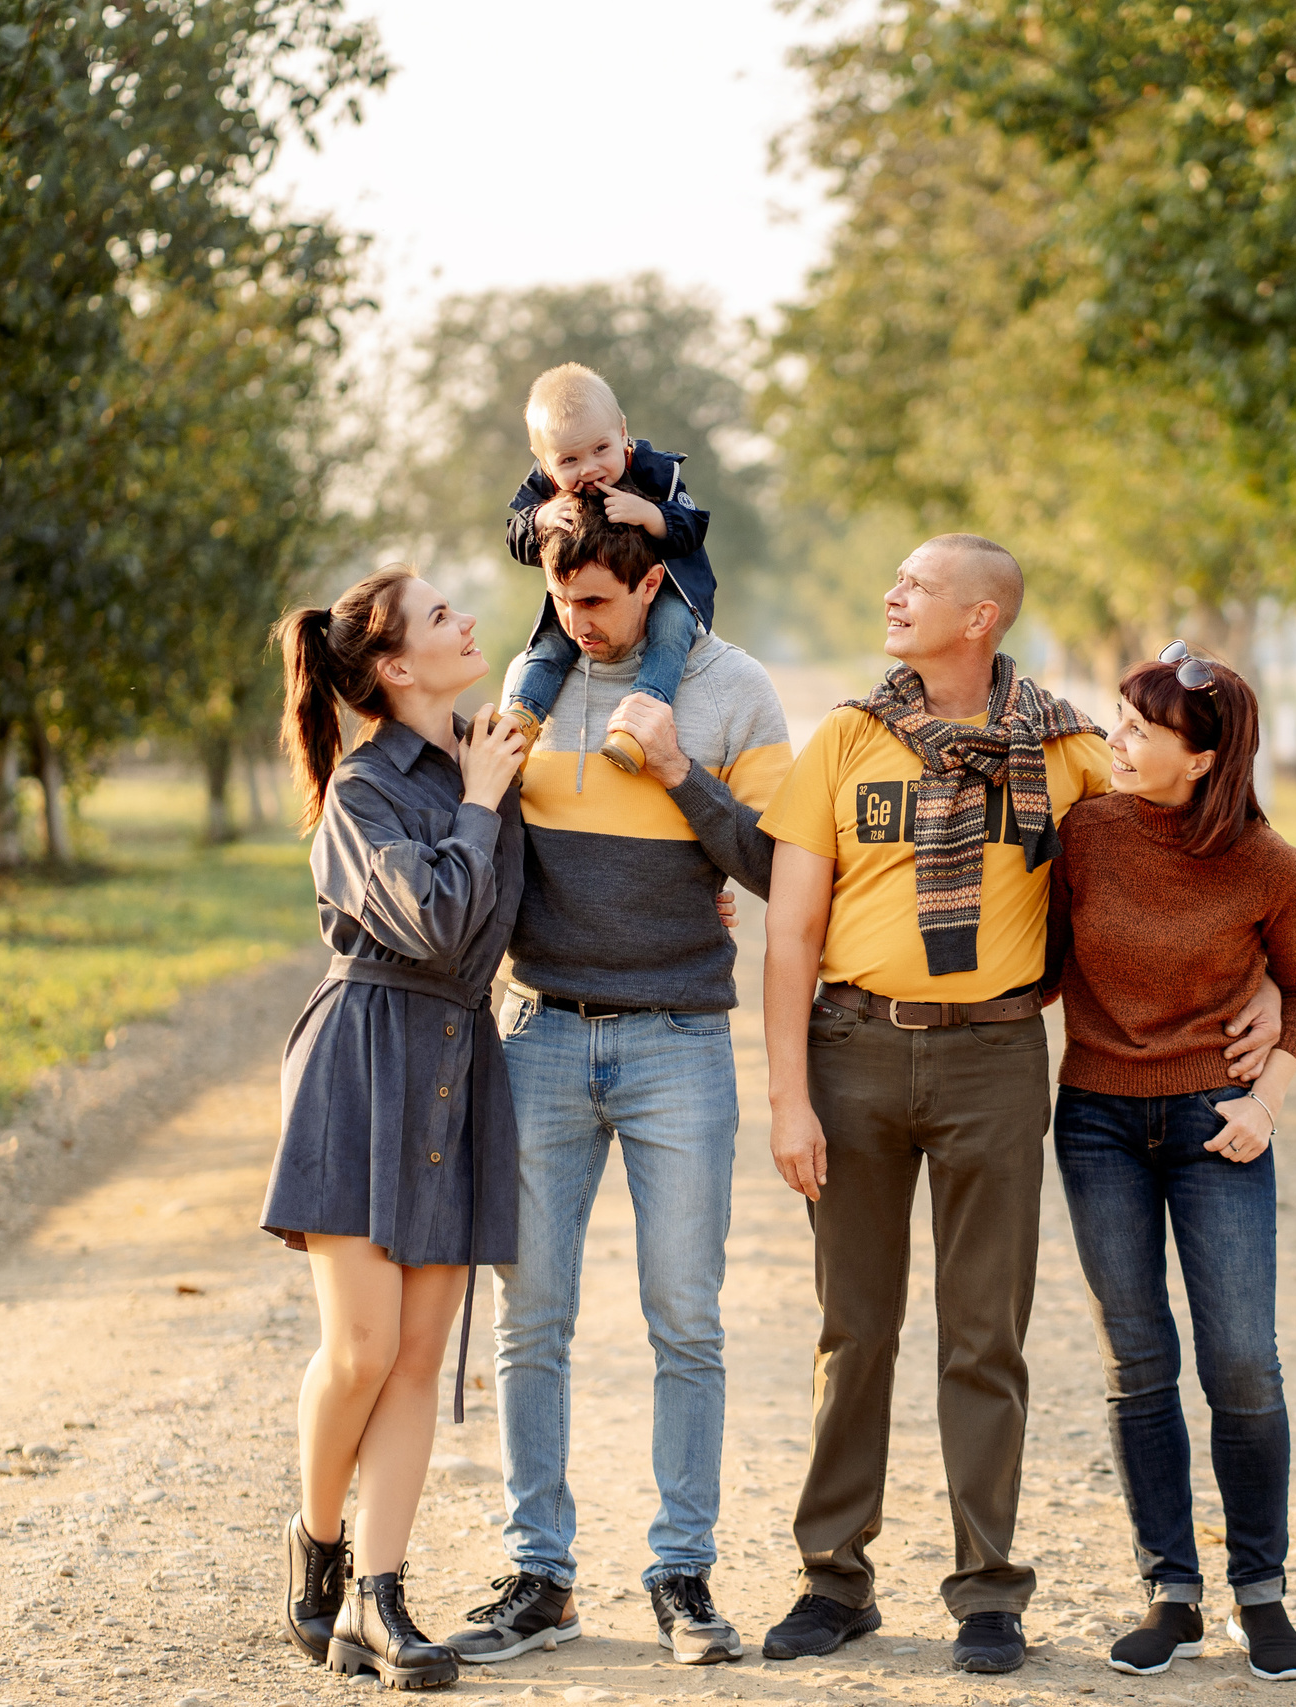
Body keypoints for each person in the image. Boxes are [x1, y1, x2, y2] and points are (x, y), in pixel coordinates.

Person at [753, 537, 1282, 1676]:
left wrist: (1278, 988)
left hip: (994, 1059)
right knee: (854, 1333)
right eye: (889, 578)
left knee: (984, 1335)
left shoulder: (1070, 749)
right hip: (850, 1052)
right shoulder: (844, 739)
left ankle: (986, 1592)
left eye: (918, 585)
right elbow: (790, 929)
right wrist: (787, 1096)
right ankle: (833, 1580)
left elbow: (1217, 844)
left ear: (981, 615)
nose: (891, 595)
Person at [439, 494, 791, 1669]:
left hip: (678, 1042)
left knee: (684, 1320)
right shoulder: (527, 691)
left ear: (652, 585)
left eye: (596, 600)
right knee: (526, 1321)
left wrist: (684, 771)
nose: (573, 620)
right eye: (559, 598)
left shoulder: (733, 686)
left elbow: (778, 867)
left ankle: (682, 1576)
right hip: (538, 1031)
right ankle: (538, 1575)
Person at [261, 565, 530, 1690]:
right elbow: (426, 919)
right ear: (393, 668)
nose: (467, 622)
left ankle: (379, 1597)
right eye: (439, 618)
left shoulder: (492, 754)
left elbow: (527, 904)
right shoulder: (364, 791)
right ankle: (315, 1543)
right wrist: (477, 801)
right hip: (364, 1061)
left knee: (421, 1358)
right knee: (364, 1348)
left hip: (460, 1062)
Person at [1047, 642, 1296, 1683]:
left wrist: (1266, 1098)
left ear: (1201, 759)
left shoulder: (1266, 864)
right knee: (1138, 1361)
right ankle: (1170, 1590)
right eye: (1118, 720)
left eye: (1137, 731)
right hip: (1097, 1124)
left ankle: (1261, 1593)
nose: (1113, 741)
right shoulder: (1087, 831)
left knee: (1243, 1364)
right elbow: (1029, 949)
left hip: (1218, 1128)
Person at [498, 363, 716, 777]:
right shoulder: (542, 493)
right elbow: (514, 540)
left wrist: (652, 515)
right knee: (551, 640)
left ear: (622, 433)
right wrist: (541, 518)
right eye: (569, 460)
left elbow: (694, 527)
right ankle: (521, 719)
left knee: (670, 634)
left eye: (601, 450)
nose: (589, 469)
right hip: (585, 595)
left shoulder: (655, 472)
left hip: (669, 586)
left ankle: (639, 725)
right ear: (544, 462)